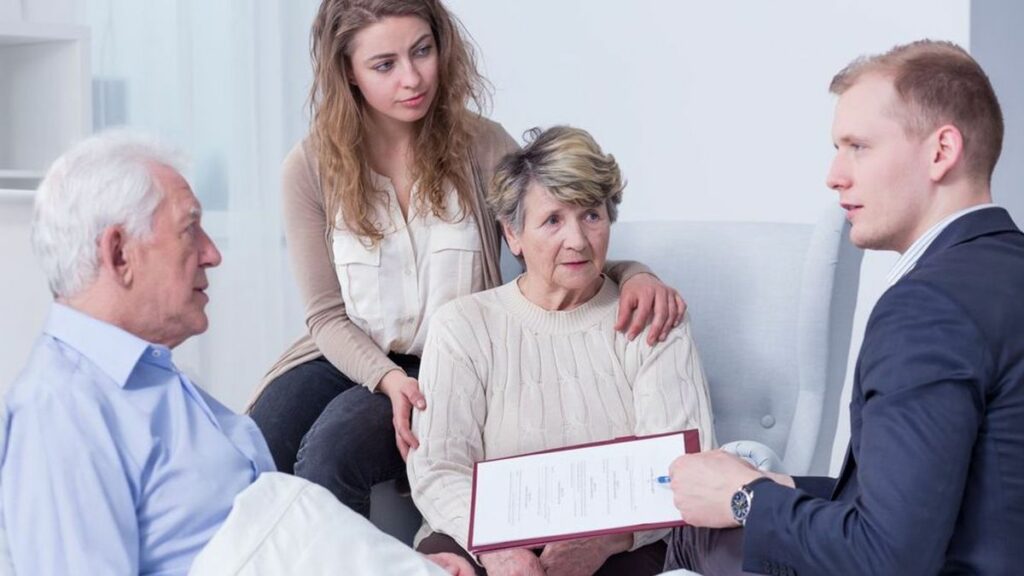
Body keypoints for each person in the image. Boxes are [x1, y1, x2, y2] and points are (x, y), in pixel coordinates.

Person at [248, 0, 686, 520]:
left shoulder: (483, 147)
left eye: (422, 51)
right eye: (385, 65)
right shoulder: (309, 167)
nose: (413, 78)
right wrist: (386, 378)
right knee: (253, 448)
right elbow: (325, 315)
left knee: (331, 454)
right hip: (346, 352)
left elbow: (550, 239)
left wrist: (633, 273)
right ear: (348, 71)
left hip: (448, 363)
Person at [0, 131, 475, 576]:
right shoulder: (60, 413)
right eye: (190, 229)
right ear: (120, 253)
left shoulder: (153, 381)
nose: (212, 253)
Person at [664, 40, 1024, 575]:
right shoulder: (1005, 271)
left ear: (941, 151)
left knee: (688, 542)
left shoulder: (927, 308)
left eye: (859, 147)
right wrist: (778, 487)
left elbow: (888, 558)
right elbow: (947, 502)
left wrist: (744, 499)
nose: (834, 174)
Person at [407, 126, 716, 576]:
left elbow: (686, 470)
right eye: (553, 220)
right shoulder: (462, 326)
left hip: (622, 545)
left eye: (591, 215)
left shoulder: (651, 316)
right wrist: (497, 549)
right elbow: (438, 468)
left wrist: (604, 541)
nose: (577, 240)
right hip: (480, 537)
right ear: (513, 234)